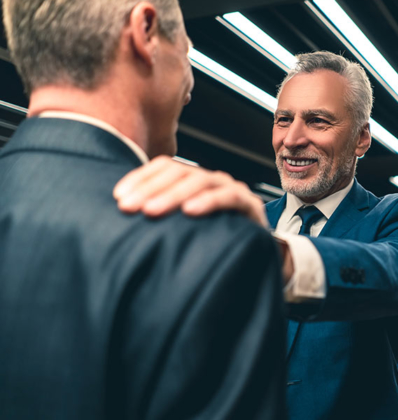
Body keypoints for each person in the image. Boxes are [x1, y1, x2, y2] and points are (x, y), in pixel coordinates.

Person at [111, 51, 398, 420]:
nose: (293, 138)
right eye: (284, 119)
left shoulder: (395, 216)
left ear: (361, 139)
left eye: (317, 121)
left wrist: (276, 259)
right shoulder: (243, 223)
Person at [0, 1, 285, 419]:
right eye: (186, 55)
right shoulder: (206, 245)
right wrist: (243, 243)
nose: (190, 86)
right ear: (145, 30)